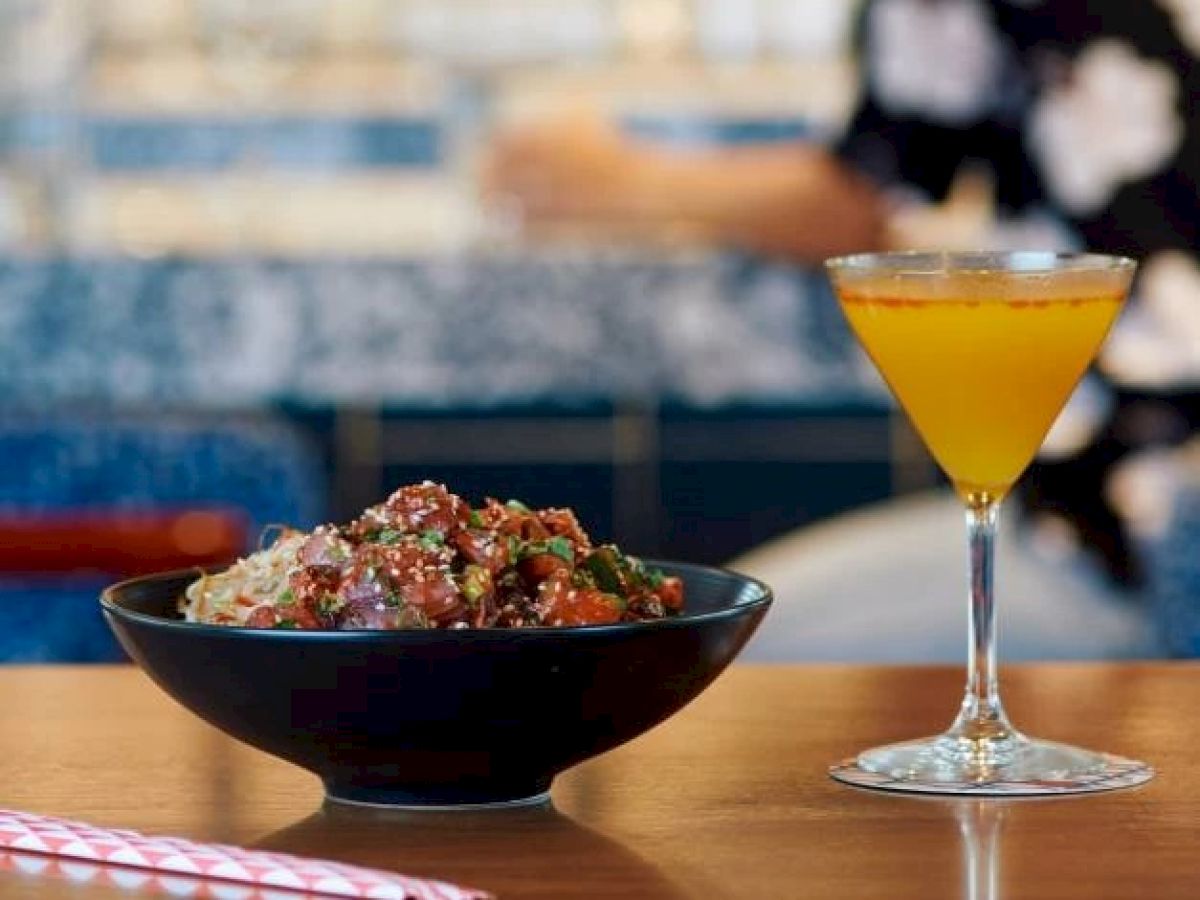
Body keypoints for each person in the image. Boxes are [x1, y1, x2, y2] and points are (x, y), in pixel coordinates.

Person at [485, 0, 1200, 588]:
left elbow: (858, 199)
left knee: (750, 650)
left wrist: (613, 178)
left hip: (1145, 521)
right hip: (1151, 512)